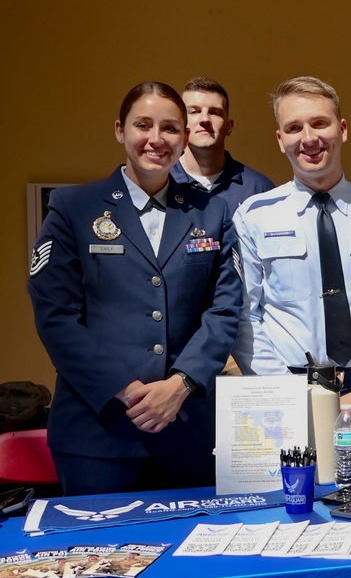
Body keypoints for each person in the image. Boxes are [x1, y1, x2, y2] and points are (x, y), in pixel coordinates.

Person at [28, 82, 243, 496]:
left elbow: (225, 310)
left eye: (170, 128)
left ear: (183, 137)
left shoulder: (211, 212)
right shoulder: (74, 207)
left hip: (188, 430)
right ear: (119, 130)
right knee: (103, 560)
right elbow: (55, 316)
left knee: (192, 556)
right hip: (98, 433)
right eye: (143, 125)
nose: (156, 139)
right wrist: (127, 391)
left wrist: (180, 384)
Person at [232, 76, 351, 489]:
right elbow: (246, 317)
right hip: (282, 386)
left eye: (320, 124)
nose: (309, 138)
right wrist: (284, 396)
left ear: (343, 129)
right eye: (295, 128)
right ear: (280, 139)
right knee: (286, 515)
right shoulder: (255, 216)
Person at [169, 77, 274, 213]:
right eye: (194, 111)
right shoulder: (161, 182)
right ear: (180, 124)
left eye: (214, 112)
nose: (205, 119)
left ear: (229, 127)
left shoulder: (258, 189)